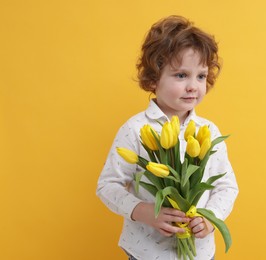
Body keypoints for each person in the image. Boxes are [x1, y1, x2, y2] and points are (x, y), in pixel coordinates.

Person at [96, 15, 239, 260]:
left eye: (201, 76)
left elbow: (226, 186)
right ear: (153, 79)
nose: (193, 86)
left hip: (199, 253)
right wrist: (142, 211)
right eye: (181, 75)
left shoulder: (208, 132)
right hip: (146, 252)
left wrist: (209, 218)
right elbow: (107, 186)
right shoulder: (136, 129)